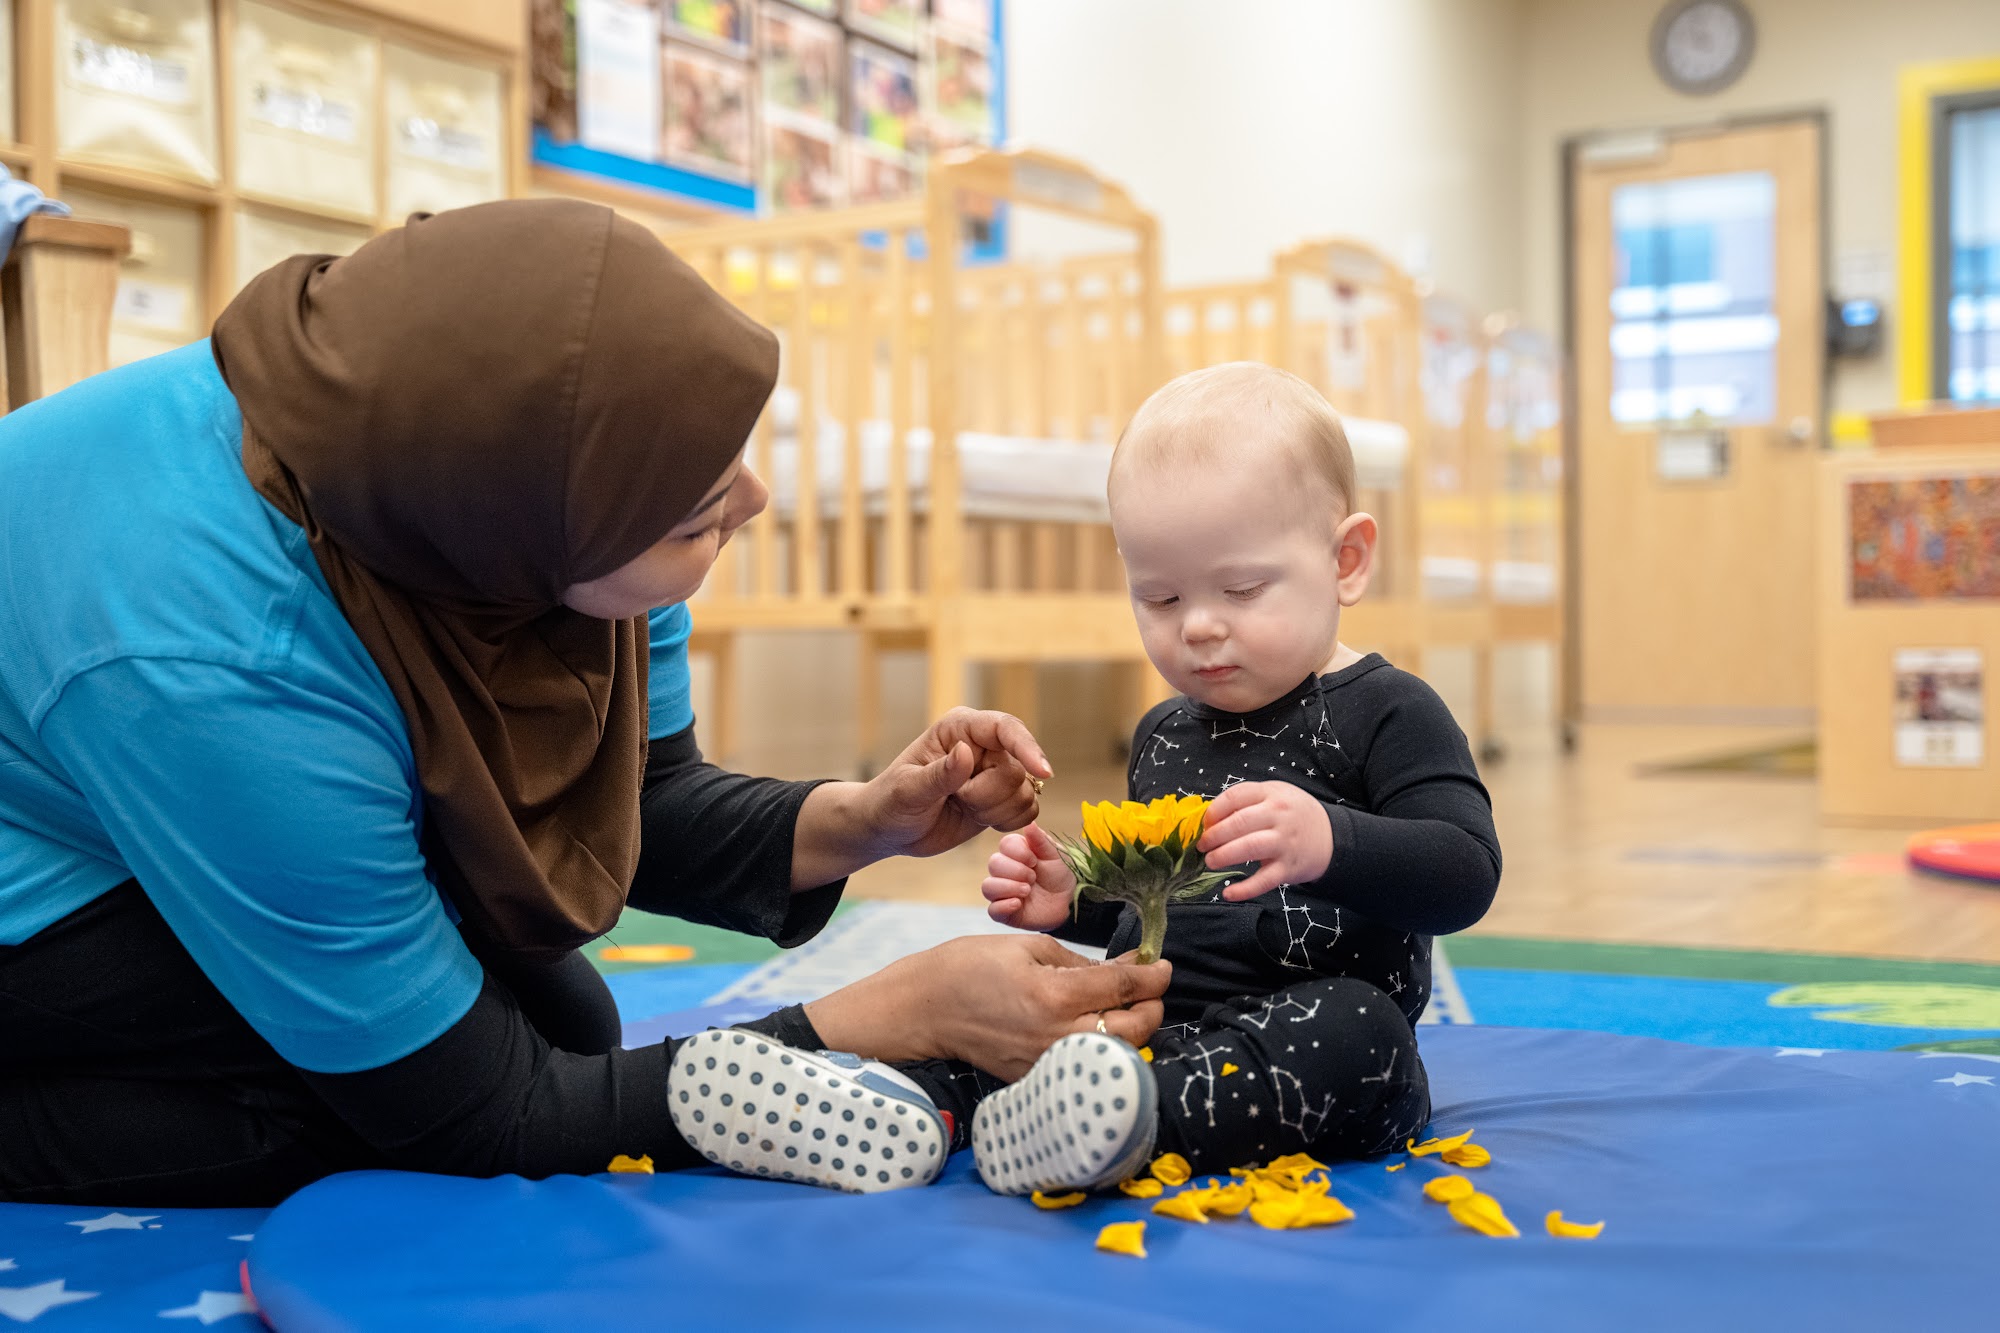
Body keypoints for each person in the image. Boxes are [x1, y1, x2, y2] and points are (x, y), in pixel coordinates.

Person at [0, 199, 1169, 1207]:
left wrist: (859, 821)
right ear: (528, 539)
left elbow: (637, 796)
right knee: (370, 1116)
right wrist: (873, 1019)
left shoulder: (508, 492)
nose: (752, 500)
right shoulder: (226, 666)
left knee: (563, 1015)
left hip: (140, 768)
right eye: (695, 516)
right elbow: (483, 1116)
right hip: (51, 861)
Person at [965, 362, 1502, 1194]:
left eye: (1242, 588)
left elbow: (1466, 873)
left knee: (1366, 1032)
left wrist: (1333, 839)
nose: (1200, 626)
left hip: (1305, 1038)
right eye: (1160, 598)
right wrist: (1073, 899)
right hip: (1149, 1023)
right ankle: (933, 1100)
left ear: (1346, 560)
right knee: (1013, 991)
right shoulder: (1162, 733)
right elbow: (1165, 901)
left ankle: (1131, 1120)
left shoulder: (1391, 711)